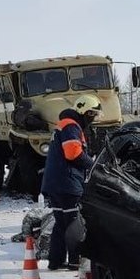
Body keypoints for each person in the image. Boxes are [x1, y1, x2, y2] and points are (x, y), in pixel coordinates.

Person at [40, 94, 101, 270]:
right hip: (68, 184)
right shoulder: (71, 126)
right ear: (86, 112)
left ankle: (55, 261)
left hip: (55, 183)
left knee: (61, 223)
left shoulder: (64, 125)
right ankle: (75, 262)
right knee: (74, 224)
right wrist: (93, 164)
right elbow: (73, 154)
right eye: (93, 115)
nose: (94, 119)